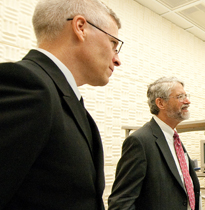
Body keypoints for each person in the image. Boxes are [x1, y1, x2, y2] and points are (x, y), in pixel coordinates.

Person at [0, 0, 122, 209]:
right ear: (80, 27)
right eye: (113, 43)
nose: (117, 59)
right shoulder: (27, 85)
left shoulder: (62, 98)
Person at [108, 77, 200, 210]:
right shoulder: (139, 141)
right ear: (161, 103)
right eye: (180, 97)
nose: (187, 101)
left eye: (186, 96)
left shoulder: (175, 140)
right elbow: (121, 202)